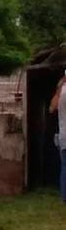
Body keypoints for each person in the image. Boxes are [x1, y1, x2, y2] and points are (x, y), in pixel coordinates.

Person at [49, 72, 66, 204]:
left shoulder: (59, 95)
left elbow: (51, 109)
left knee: (64, 167)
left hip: (63, 137)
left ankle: (63, 197)